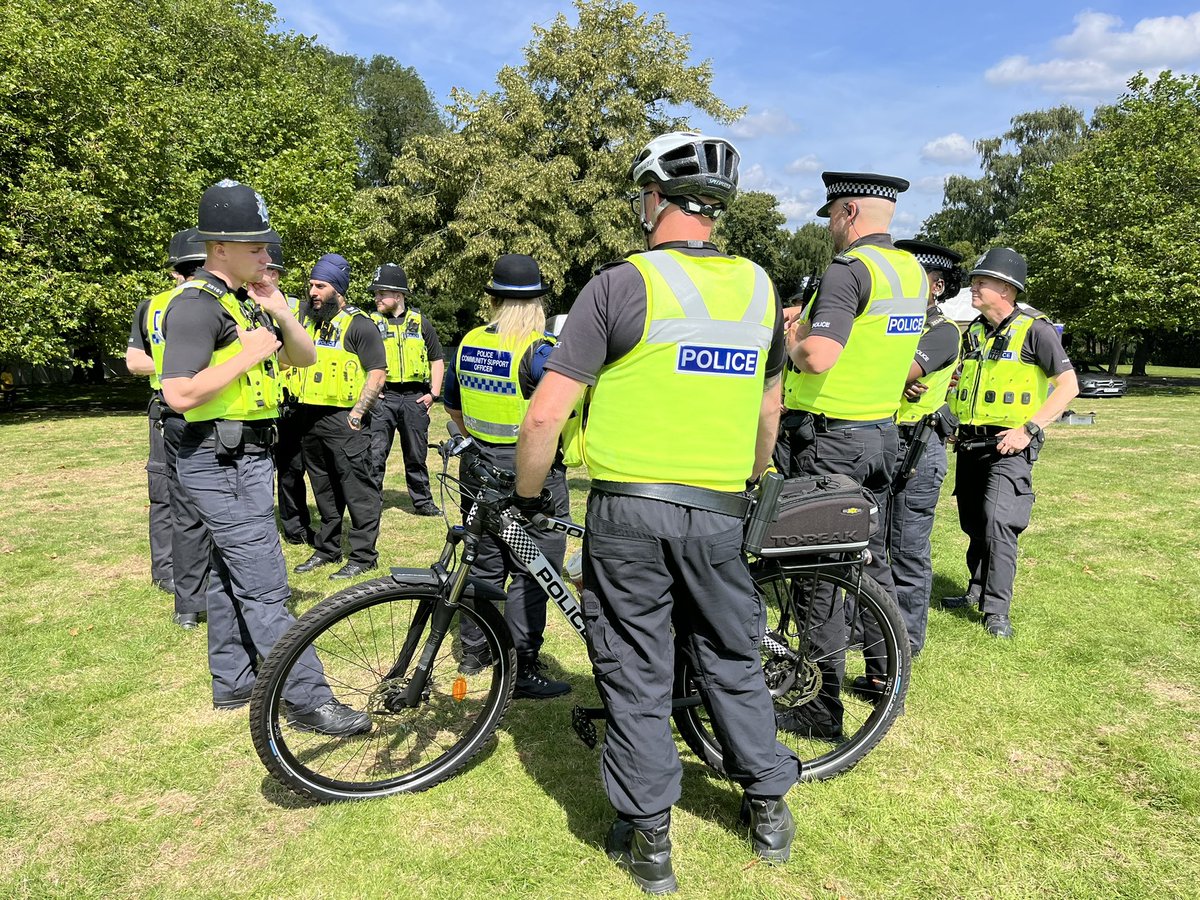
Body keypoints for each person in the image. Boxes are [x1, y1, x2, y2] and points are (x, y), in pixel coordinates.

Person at [513, 132, 798, 893]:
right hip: (718, 510)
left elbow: (544, 416)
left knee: (636, 670)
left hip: (630, 514)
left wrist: (528, 496)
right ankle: (768, 811)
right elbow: (770, 409)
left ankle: (651, 843)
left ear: (652, 199)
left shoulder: (618, 285)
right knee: (731, 656)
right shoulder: (761, 289)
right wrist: (749, 477)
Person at [159, 179, 368, 734]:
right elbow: (178, 392)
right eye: (255, 247)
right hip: (220, 459)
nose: (266, 256)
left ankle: (235, 681)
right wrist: (247, 355)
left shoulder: (242, 302)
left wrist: (278, 310)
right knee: (265, 584)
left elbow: (302, 357)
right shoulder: (196, 307)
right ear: (219, 247)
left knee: (230, 572)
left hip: (243, 456)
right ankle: (307, 700)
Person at [779, 172, 928, 736]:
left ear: (849, 212)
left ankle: (818, 709)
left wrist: (791, 342)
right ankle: (888, 677)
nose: (831, 230)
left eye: (832, 218)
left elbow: (819, 355)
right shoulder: (910, 272)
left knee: (819, 572)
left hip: (830, 440)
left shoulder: (850, 269)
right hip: (879, 435)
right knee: (871, 560)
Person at [442, 253, 572, 700]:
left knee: (482, 561)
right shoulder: (540, 351)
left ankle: (475, 651)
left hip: (478, 465)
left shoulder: (469, 342)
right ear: (537, 303)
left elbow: (452, 406)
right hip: (529, 471)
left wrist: (479, 441)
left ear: (494, 300)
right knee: (534, 569)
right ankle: (520, 664)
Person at [944, 248, 1078, 638]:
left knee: (999, 521)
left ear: (1006, 288)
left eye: (981, 282)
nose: (973, 287)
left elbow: (1068, 386)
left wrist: (1028, 429)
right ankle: (976, 587)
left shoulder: (1036, 330)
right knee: (974, 520)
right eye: (973, 281)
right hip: (970, 442)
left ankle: (996, 610)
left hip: (1010, 443)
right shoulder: (975, 331)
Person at [125, 227, 211, 628]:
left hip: (182, 409)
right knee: (170, 496)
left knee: (179, 500)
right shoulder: (157, 306)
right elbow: (134, 362)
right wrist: (182, 362)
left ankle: (188, 590)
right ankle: (167, 573)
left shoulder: (161, 304)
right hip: (171, 410)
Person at [884, 239, 964, 660]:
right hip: (886, 441)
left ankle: (907, 641)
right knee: (875, 546)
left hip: (918, 448)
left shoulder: (943, 331)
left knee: (907, 549)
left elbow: (902, 369)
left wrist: (896, 374)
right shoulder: (892, 325)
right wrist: (894, 375)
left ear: (936, 286)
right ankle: (874, 627)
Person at [289, 253, 387, 580]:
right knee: (324, 490)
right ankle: (327, 549)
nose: (312, 292)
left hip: (345, 420)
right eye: (311, 285)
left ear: (338, 289)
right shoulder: (308, 322)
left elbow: (377, 373)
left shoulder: (360, 325)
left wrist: (357, 415)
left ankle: (363, 556)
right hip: (309, 419)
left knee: (359, 491)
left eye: (320, 286)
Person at [366, 263, 445, 515]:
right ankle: (371, 503)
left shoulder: (420, 323)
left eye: (382, 293)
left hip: (415, 398)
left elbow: (437, 359)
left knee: (416, 454)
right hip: (383, 398)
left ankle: (423, 503)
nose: (377, 298)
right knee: (375, 453)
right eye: (376, 293)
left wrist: (433, 394)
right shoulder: (370, 323)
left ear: (398, 295)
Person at [265, 244, 315, 547]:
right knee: (278, 469)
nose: (266, 275)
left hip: (301, 401)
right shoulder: (244, 307)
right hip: (267, 401)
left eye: (272, 271)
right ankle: (287, 526)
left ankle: (300, 527)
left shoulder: (301, 308)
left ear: (278, 275)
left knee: (298, 468)